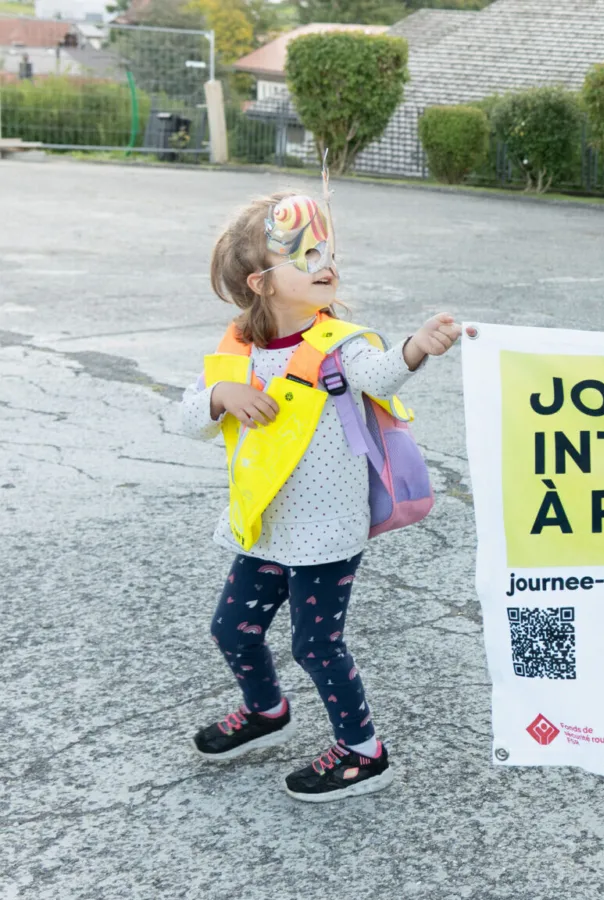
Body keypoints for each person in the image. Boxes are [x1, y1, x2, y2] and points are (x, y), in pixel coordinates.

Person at [170, 190, 461, 802]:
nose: (325, 263)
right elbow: (184, 417)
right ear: (262, 282)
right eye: (306, 256)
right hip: (264, 524)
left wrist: (416, 346)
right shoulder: (239, 350)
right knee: (232, 630)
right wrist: (223, 398)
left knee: (315, 644)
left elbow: (381, 374)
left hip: (327, 530)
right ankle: (267, 711)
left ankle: (364, 751)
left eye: (327, 251)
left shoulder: (340, 344)